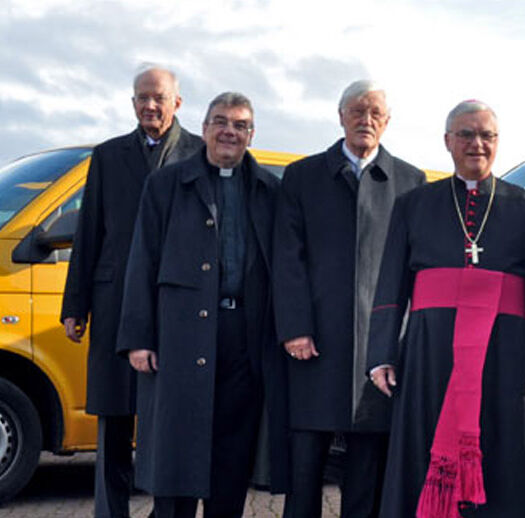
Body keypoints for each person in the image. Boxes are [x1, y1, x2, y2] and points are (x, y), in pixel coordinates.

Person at [367, 100, 525, 518]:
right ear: (448, 141)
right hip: (430, 351)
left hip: (500, 355)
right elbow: (392, 285)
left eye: (487, 135)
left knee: (497, 447)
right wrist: (380, 354)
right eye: (466, 134)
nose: (477, 144)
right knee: (423, 440)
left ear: (497, 142)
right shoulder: (414, 204)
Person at [116, 92, 277, 518]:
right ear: (204, 128)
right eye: (220, 121)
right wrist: (138, 337)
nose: (229, 131)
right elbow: (142, 259)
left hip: (243, 337)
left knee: (232, 456)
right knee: (178, 456)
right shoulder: (167, 184)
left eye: (240, 125)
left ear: (251, 134)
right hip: (181, 336)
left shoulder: (268, 190)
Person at [270, 80, 426, 518]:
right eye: (357, 110)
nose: (366, 119)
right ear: (340, 116)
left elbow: (417, 268)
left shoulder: (410, 181)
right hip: (313, 344)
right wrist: (295, 326)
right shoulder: (302, 177)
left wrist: (401, 340)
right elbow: (287, 258)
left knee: (367, 472)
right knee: (305, 468)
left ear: (388, 121)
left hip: (379, 351)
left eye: (376, 112)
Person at [60, 64, 202, 518]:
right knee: (114, 417)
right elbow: (89, 233)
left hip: (175, 308)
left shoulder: (198, 155)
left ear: (177, 102)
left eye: (159, 97)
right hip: (114, 302)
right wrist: (75, 304)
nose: (150, 105)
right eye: (142, 97)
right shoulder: (108, 155)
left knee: (168, 420)